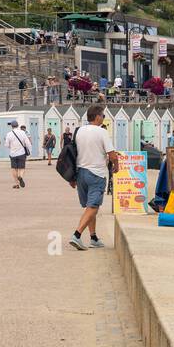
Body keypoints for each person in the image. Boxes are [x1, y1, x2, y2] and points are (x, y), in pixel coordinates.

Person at [69, 105, 119, 250]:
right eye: (103, 116)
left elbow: (75, 153)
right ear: (97, 116)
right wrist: (116, 165)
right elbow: (112, 154)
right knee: (93, 207)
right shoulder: (102, 132)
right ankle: (76, 235)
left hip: (81, 173)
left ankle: (93, 237)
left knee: (89, 207)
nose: (103, 118)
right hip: (96, 174)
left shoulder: (79, 131)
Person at [5, 121, 31, 189]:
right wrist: (29, 150)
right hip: (22, 153)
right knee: (21, 168)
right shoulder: (22, 132)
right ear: (18, 125)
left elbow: (7, 145)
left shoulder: (9, 134)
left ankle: (16, 184)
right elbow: (27, 143)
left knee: (14, 169)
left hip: (13, 154)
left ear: (11, 126)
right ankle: (21, 177)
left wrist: (12, 146)